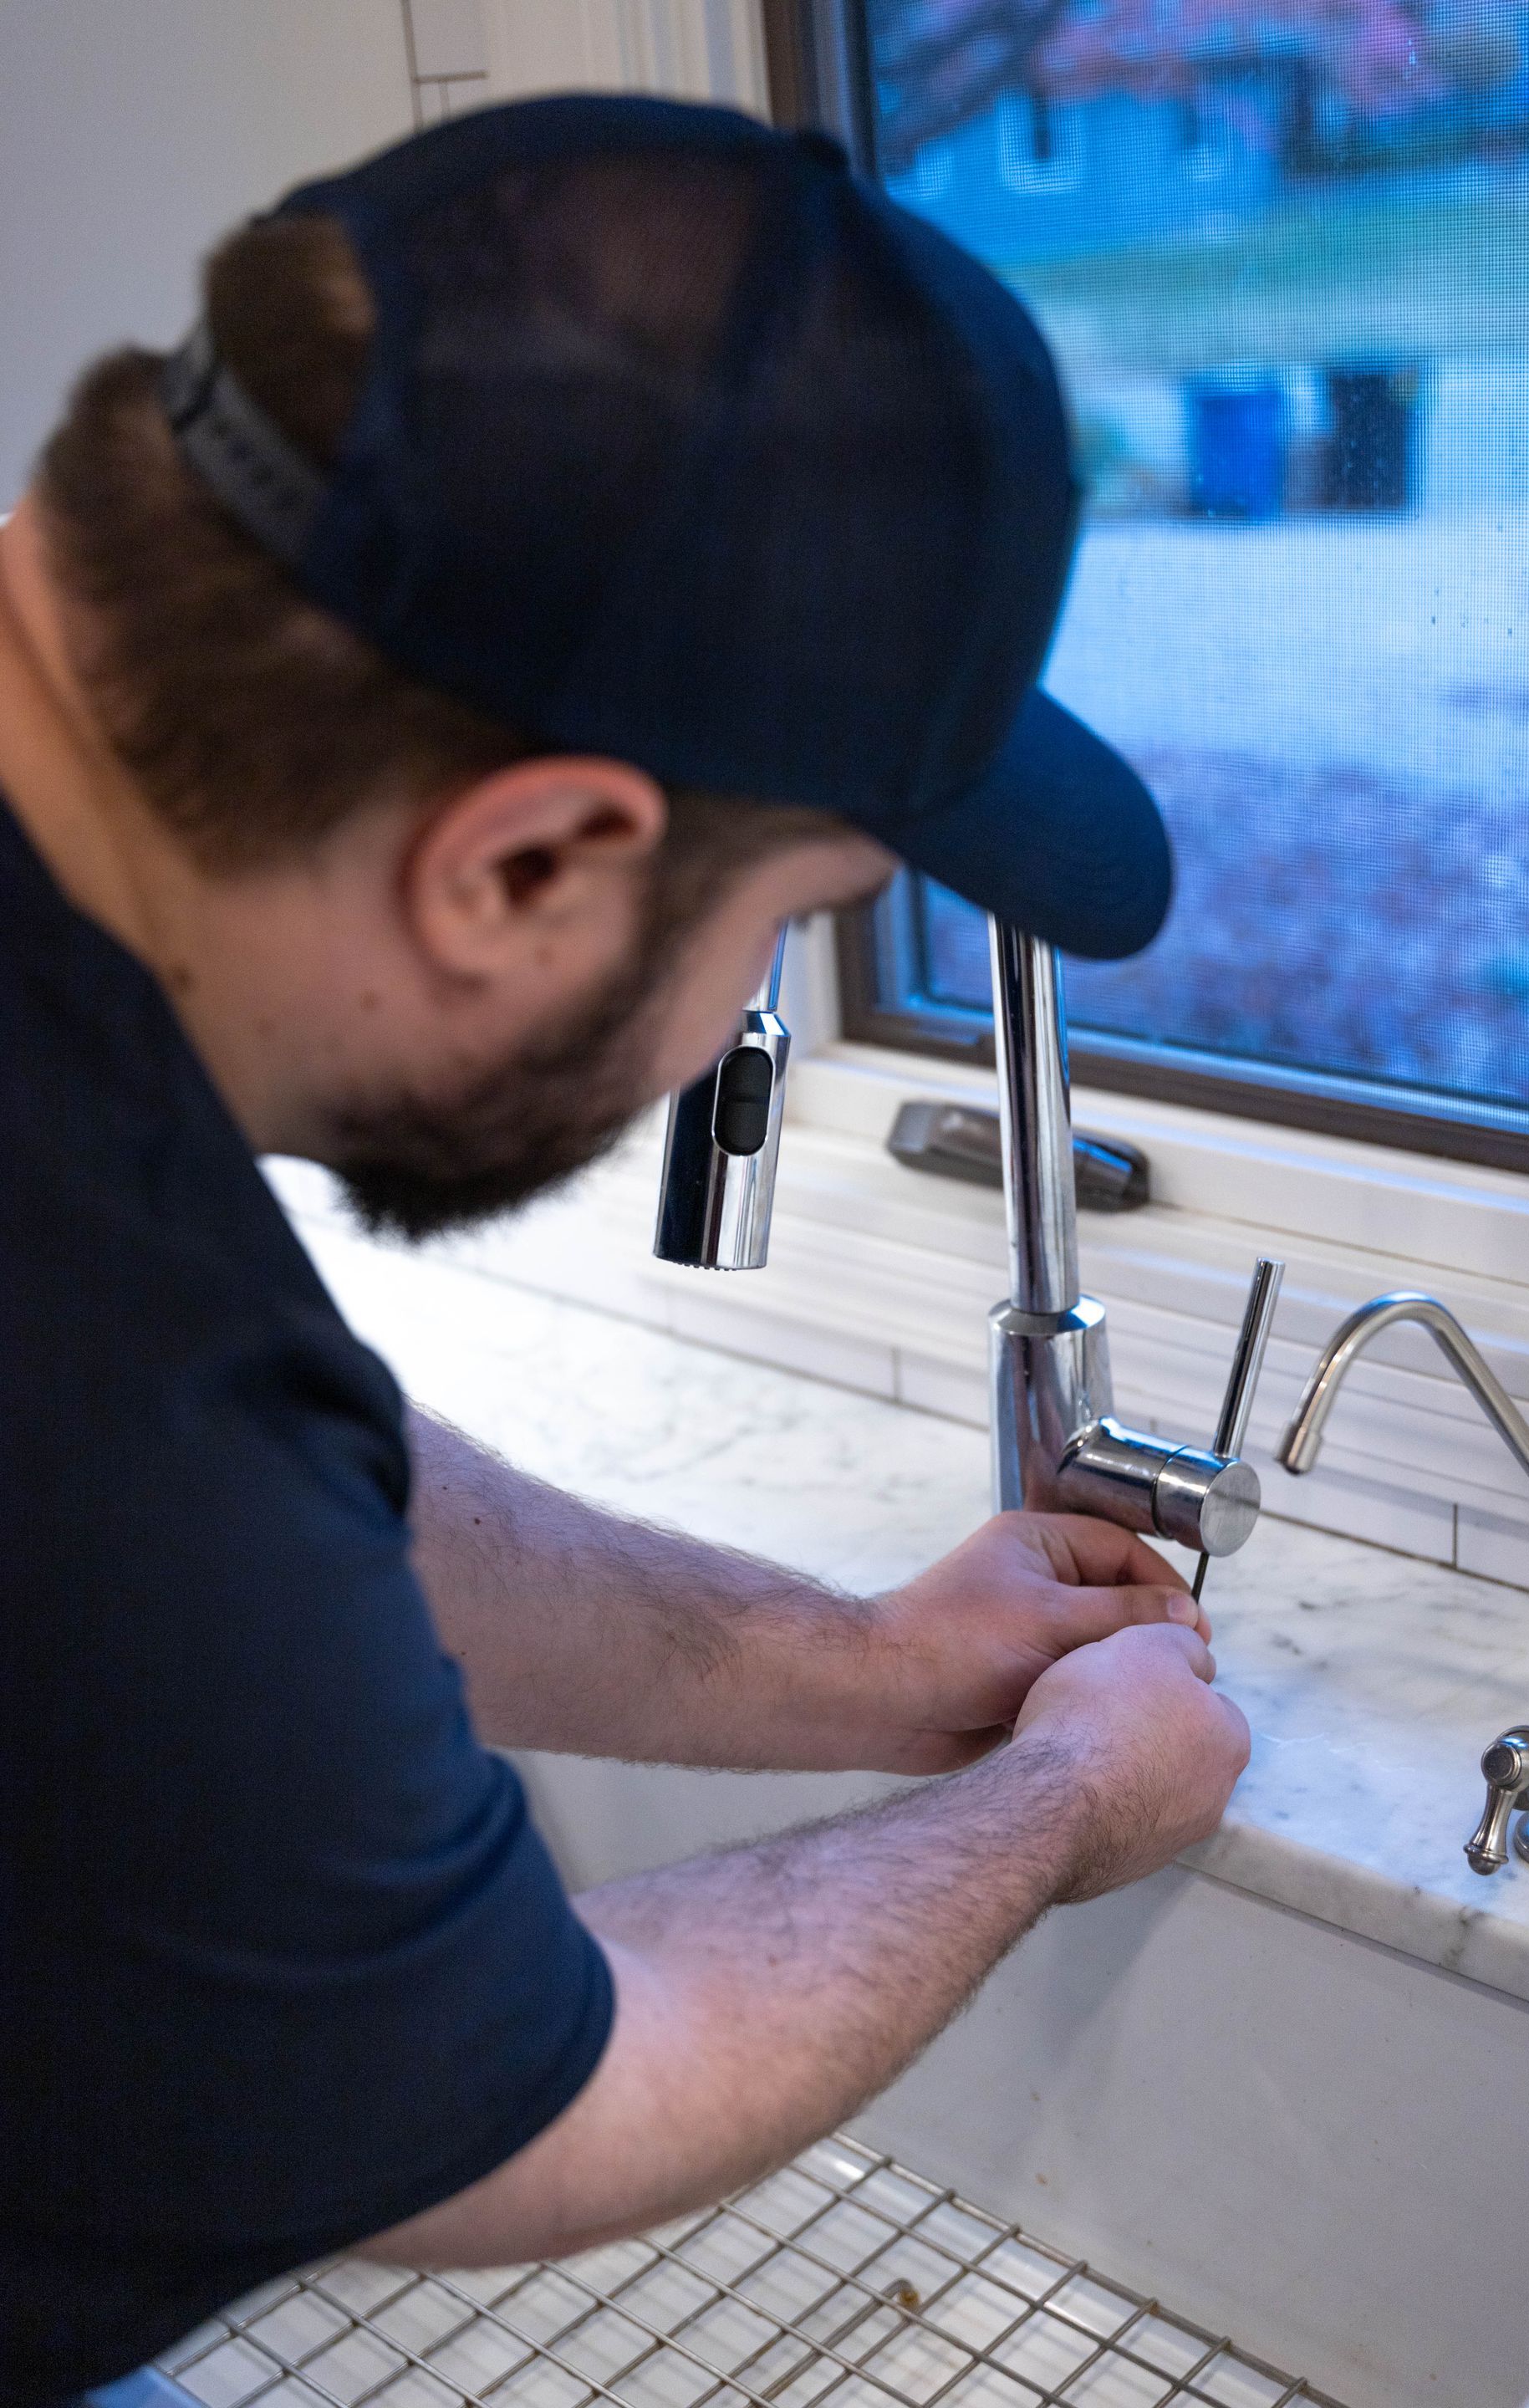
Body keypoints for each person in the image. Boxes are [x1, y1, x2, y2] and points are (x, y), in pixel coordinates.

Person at [0, 94, 1251, 2404]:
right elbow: (537, 2095)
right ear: (523, 867)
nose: (730, 1026)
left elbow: (325, 1498)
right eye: (785, 934)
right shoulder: (93, 1391)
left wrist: (868, 1665)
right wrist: (1058, 1798)